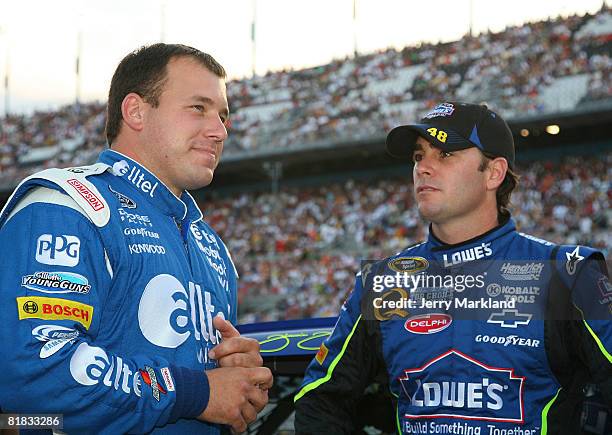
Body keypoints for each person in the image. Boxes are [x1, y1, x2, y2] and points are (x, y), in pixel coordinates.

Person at [0, 43, 272, 434]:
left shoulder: (211, 246)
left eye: (223, 116)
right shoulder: (68, 206)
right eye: (198, 108)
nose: (219, 131)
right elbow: (35, 373)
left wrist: (237, 374)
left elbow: (212, 393)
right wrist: (197, 391)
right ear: (136, 111)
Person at [294, 102, 611, 434]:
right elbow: (320, 399)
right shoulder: (385, 282)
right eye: (419, 156)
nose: (423, 168)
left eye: (444, 154)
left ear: (493, 173)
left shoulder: (568, 273)